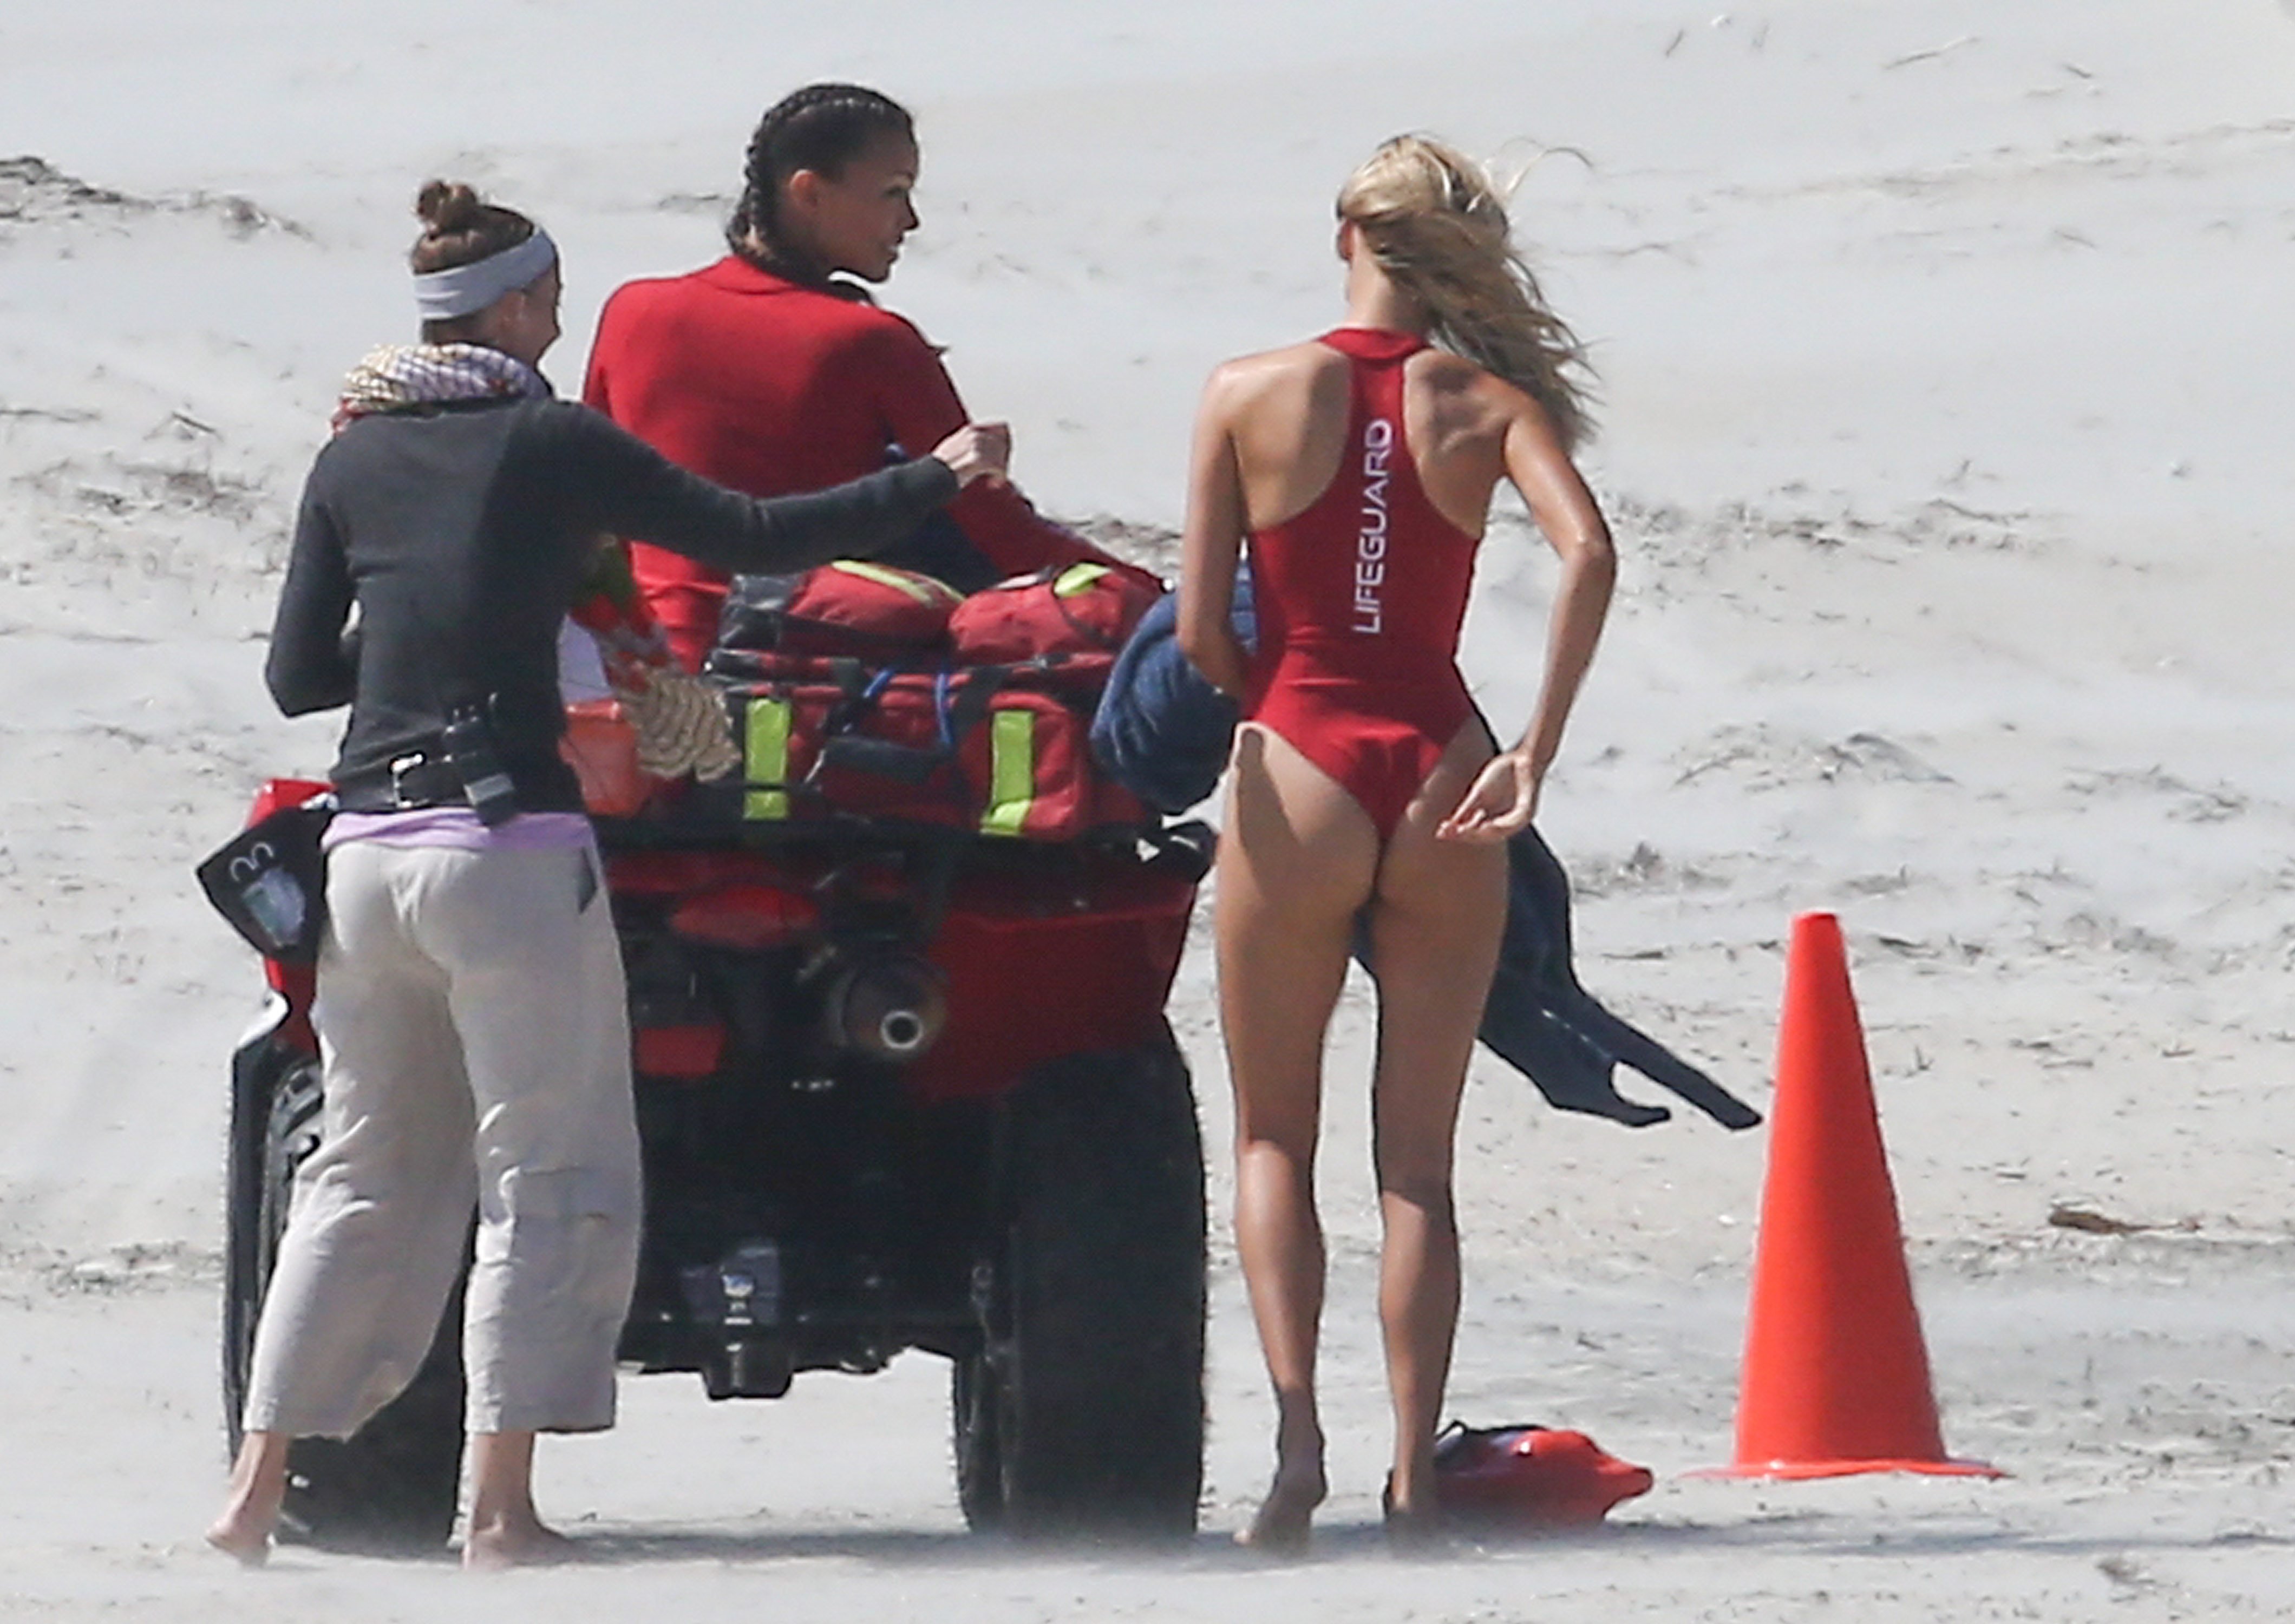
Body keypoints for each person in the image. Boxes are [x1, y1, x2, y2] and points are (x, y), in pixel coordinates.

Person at [205, 181, 1007, 1569]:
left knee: (360, 1180)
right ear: (513, 307)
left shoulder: (354, 454)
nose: (560, 327)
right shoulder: (549, 439)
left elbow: (295, 677)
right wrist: (934, 477)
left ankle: (251, 1495)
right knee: (549, 1172)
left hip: (367, 854)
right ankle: (501, 1512)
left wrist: (425, 630)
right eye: (552, 304)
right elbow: (750, 533)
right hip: (505, 848)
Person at [1176, 135, 1617, 1551]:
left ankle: (1297, 1449)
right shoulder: (1486, 402)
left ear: (1342, 239)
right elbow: (1589, 552)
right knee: (1414, 1165)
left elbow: (1196, 629)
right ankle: (1415, 1481)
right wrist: (1531, 748)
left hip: (1298, 751)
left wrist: (1268, 710)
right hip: (1438, 761)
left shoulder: (1244, 389)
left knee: (1269, 1135)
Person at [583, 82, 1156, 670]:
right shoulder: (870, 341)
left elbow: (593, 509)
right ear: (808, 193)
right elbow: (1002, 533)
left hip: (642, 665)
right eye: (892, 193)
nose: (910, 220)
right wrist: (1156, 600)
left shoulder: (633, 310)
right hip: (783, 667)